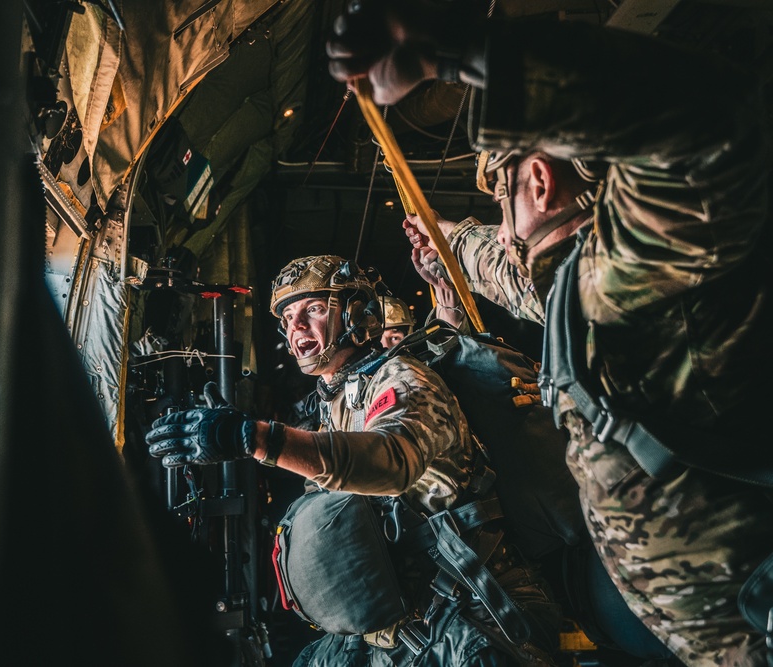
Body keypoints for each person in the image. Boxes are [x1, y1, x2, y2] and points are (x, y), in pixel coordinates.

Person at [326, 2, 773, 665]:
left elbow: (708, 126)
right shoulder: (591, 278)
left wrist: (445, 51)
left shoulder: (639, 258)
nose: (501, 228)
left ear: (537, 177)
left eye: (499, 200)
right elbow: (514, 271)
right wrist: (448, 243)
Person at [146, 254, 562, 666]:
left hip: (474, 611)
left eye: (313, 309)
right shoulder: (337, 399)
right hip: (405, 620)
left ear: (355, 314)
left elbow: (392, 460)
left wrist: (251, 438)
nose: (297, 328)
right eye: (288, 318)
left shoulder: (402, 378)